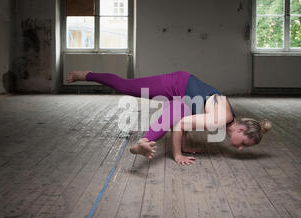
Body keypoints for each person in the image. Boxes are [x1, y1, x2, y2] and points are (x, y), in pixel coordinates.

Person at [66, 70, 272, 165]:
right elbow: (182, 125)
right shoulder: (220, 119)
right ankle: (84, 75)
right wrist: (177, 155)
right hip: (177, 83)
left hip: (185, 97)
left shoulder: (228, 118)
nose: (241, 147)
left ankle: (143, 143)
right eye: (245, 143)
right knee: (126, 86)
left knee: (178, 110)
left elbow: (193, 111)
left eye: (245, 147)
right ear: (241, 130)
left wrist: (183, 145)